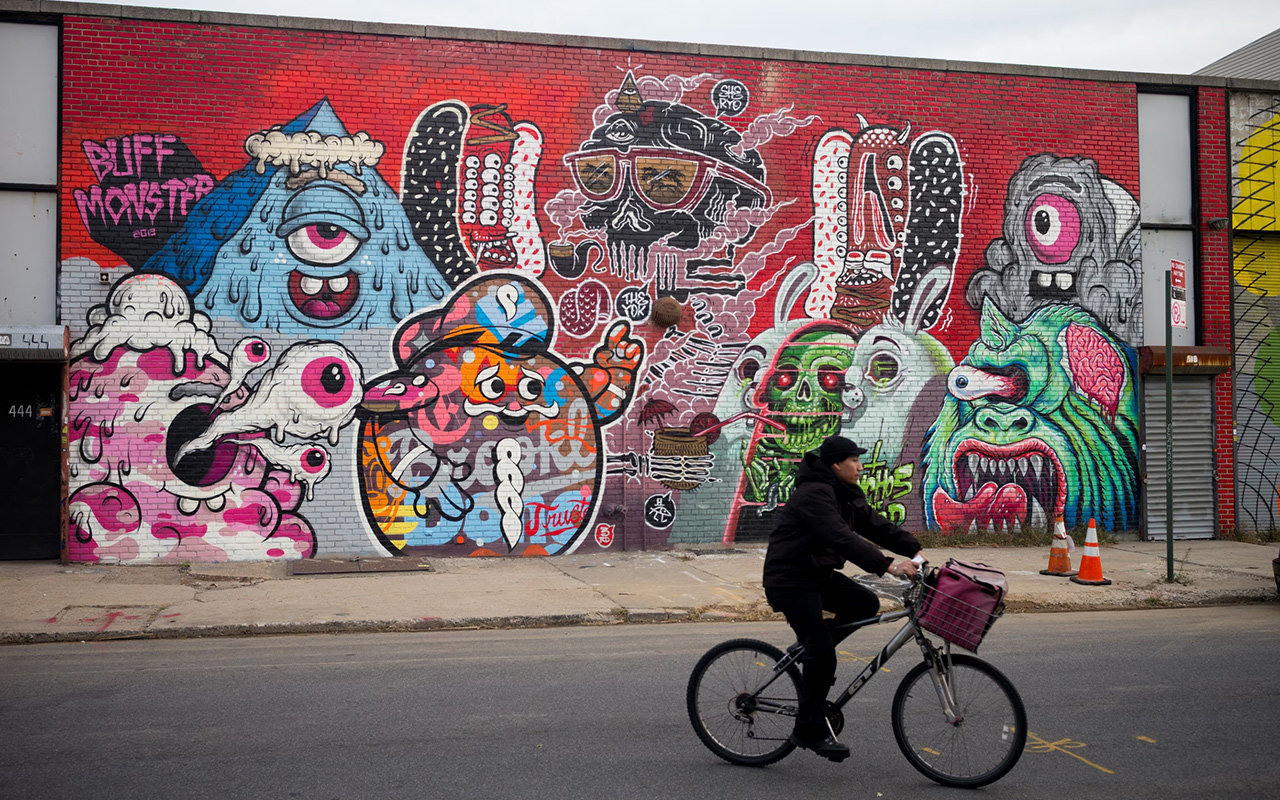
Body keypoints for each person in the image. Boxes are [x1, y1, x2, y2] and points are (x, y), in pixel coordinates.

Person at [762, 434, 924, 762]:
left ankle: (811, 647)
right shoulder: (814, 494)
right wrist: (887, 565)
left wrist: (913, 549)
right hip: (790, 579)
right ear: (837, 464)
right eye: (855, 461)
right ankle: (807, 729)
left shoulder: (845, 493)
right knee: (823, 654)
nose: (860, 467)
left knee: (864, 603)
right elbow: (840, 536)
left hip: (816, 575)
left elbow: (875, 526)